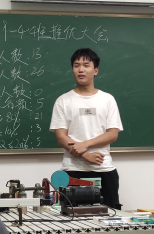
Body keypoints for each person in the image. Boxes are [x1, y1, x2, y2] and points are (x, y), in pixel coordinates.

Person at [49, 48, 124, 209]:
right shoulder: (63, 101)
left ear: (95, 70)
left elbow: (112, 134)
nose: (81, 69)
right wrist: (85, 154)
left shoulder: (107, 99)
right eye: (76, 65)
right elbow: (61, 137)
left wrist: (85, 144)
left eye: (86, 65)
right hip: (72, 170)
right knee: (71, 217)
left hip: (103, 168)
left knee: (110, 216)